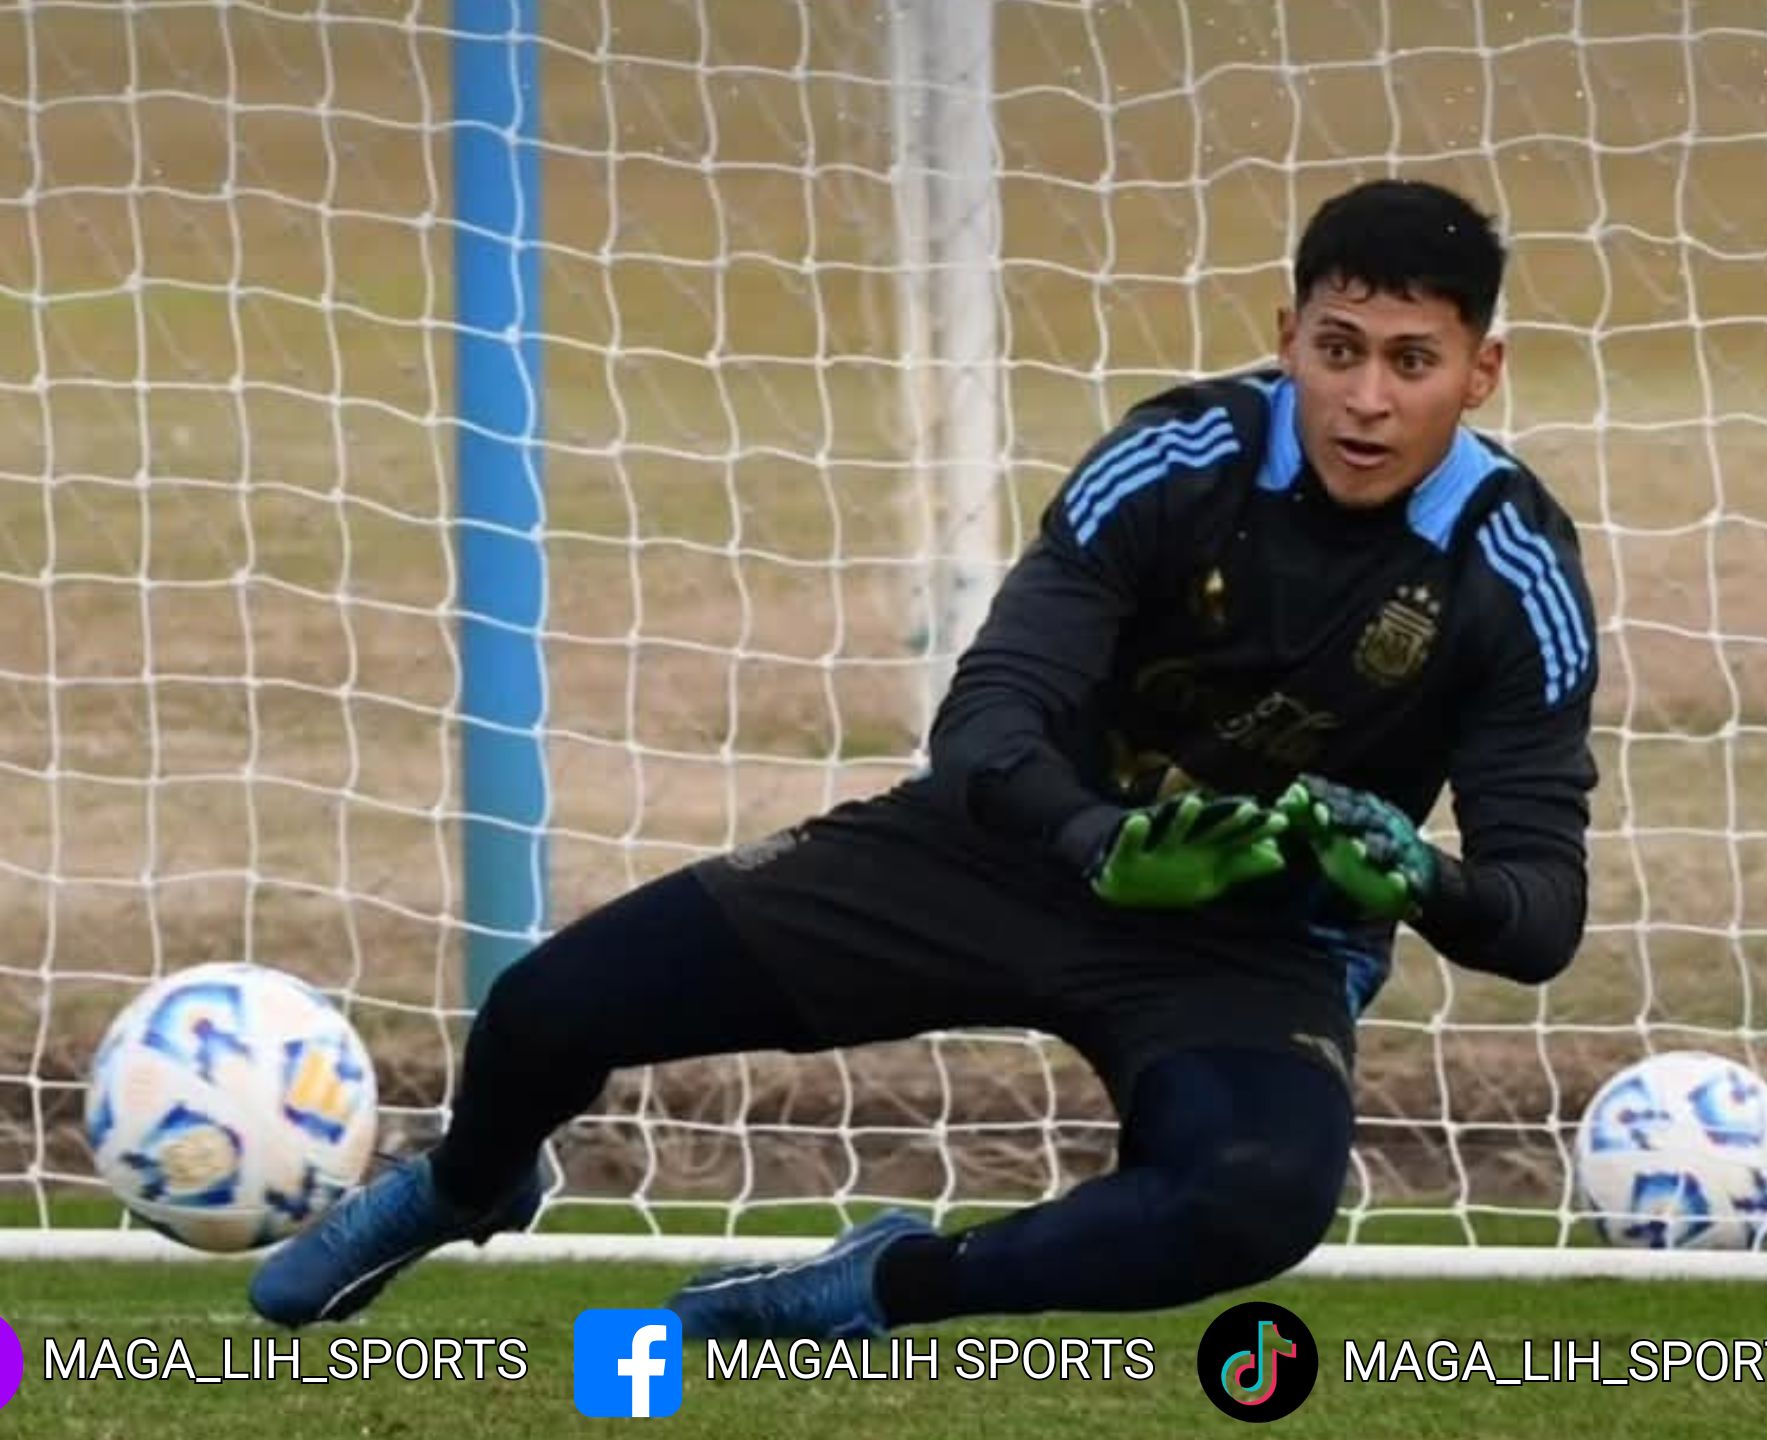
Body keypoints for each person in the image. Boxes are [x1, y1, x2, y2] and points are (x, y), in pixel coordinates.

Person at [248, 177, 1600, 1340]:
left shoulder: (1512, 572)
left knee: (1254, 1201)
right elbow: (989, 720)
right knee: (550, 1011)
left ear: (1481, 371)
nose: (1365, 399)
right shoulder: (1178, 458)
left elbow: (1541, 916)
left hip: (1251, 946)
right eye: (1338, 348)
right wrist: (1100, 844)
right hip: (1008, 851)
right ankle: (473, 1182)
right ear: (1286, 336)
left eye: (1411, 362)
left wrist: (1417, 874)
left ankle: (885, 1284)